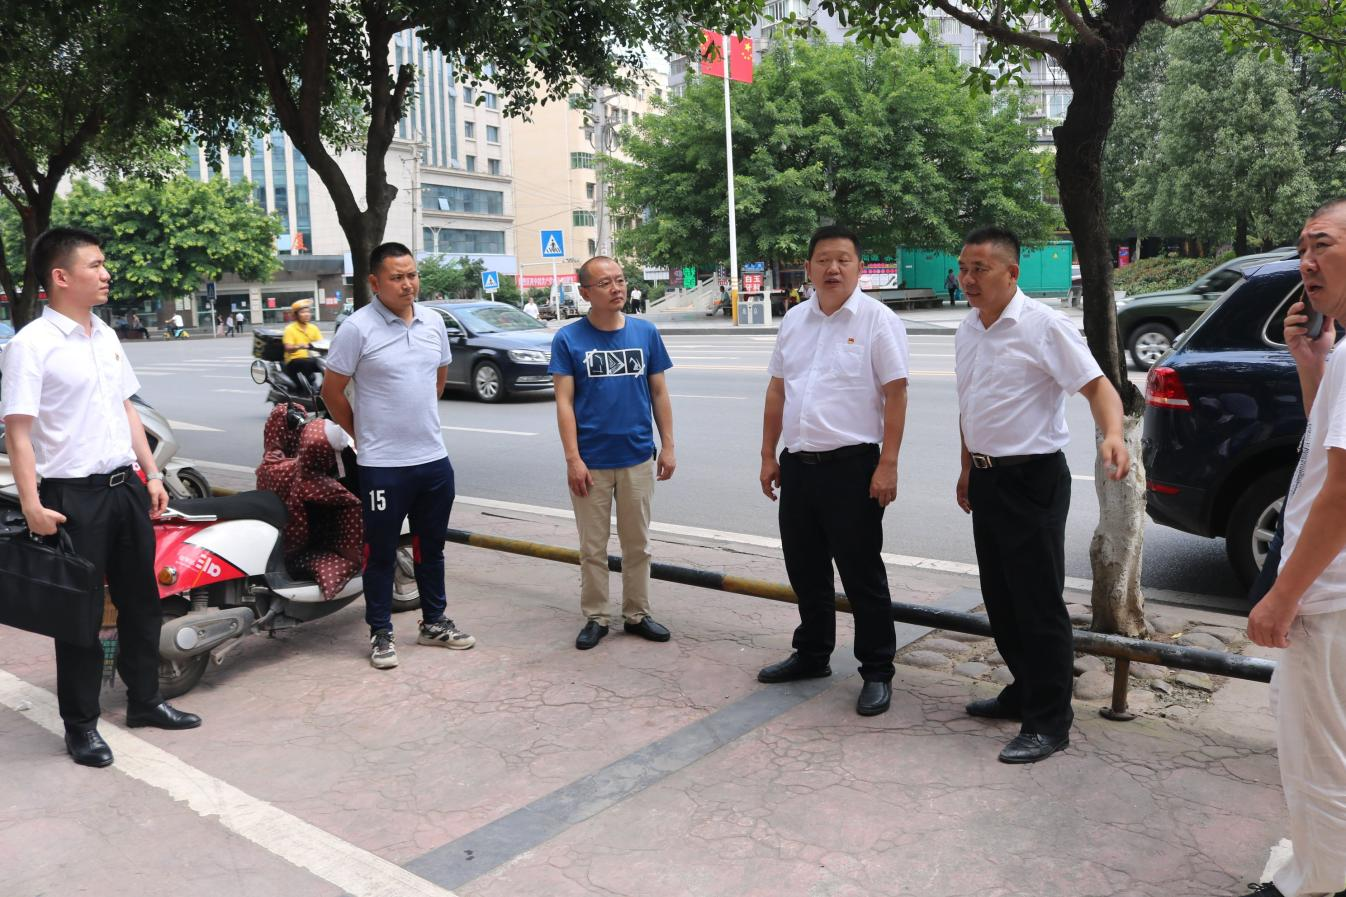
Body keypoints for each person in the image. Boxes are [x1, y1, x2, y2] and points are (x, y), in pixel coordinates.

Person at [0, 227, 201, 768]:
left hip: (125, 489)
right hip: (72, 498)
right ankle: (81, 726)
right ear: (61, 276)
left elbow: (126, 408)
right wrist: (31, 504)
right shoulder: (30, 346)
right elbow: (18, 433)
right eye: (95, 264)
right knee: (80, 616)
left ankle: (145, 701)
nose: (106, 273)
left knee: (141, 602)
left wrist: (152, 473)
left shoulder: (105, 334)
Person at [953, 225, 1128, 764]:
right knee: (1001, 597)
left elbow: (1098, 386)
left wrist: (1114, 435)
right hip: (987, 478)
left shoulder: (1043, 325)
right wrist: (967, 468)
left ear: (1012, 273)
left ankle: (1050, 722)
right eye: (963, 269)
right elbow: (971, 406)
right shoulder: (968, 329)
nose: (968, 279)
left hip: (1033, 479)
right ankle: (1024, 689)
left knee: (1037, 603)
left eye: (980, 269)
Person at [756, 224, 910, 717]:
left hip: (853, 468)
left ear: (860, 267)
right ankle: (812, 653)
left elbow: (896, 394)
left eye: (844, 259)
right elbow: (778, 389)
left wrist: (888, 464)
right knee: (805, 568)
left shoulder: (877, 320)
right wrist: (768, 454)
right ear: (808, 268)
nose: (833, 268)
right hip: (799, 466)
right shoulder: (794, 320)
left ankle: (877, 670)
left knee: (862, 574)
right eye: (823, 259)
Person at [1242, 199, 1346, 897]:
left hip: (1328, 595)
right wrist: (1312, 364)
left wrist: (1283, 596)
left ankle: (1317, 884)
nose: (1306, 261)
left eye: (1322, 244)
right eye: (1302, 248)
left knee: (1319, 756)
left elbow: (1342, 492)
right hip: (1332, 590)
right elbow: (1326, 440)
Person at [322, 243, 474, 670]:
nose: (408, 284)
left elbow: (437, 381)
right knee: (381, 552)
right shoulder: (357, 328)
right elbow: (331, 392)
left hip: (433, 460)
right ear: (375, 282)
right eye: (397, 277)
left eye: (412, 275)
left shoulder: (433, 322)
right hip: (382, 466)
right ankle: (380, 632)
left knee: (431, 547)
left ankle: (434, 621)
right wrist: (363, 435)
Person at [549, 256, 676, 650]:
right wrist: (573, 459)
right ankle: (596, 616)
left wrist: (669, 445)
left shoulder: (645, 332)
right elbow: (564, 402)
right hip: (591, 462)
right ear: (585, 292)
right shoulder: (568, 339)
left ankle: (637, 613)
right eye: (605, 283)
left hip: (637, 456)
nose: (616, 288)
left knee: (638, 544)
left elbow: (659, 392)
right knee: (593, 548)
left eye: (620, 280)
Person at [283, 299, 324, 395]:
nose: (306, 314)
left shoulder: (313, 328)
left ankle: (324, 390)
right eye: (303, 312)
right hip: (294, 360)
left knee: (328, 365)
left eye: (308, 312)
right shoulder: (290, 329)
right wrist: (299, 346)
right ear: (296, 315)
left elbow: (321, 343)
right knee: (306, 363)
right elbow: (288, 348)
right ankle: (305, 391)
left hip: (310, 359)